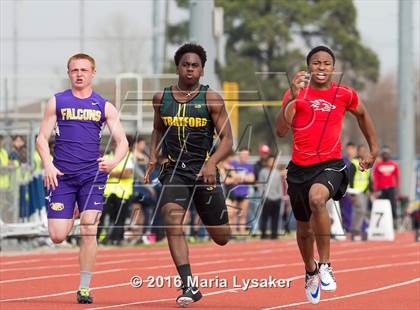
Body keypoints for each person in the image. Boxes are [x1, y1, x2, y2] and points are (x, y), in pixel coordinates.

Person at [276, 46, 378, 304]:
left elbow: (363, 115)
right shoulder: (296, 92)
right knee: (303, 228)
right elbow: (280, 131)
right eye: (316, 63)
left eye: (326, 63)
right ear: (309, 66)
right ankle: (310, 270)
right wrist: (293, 99)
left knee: (318, 199)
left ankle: (325, 265)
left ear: (333, 68)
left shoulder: (344, 94)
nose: (321, 67)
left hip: (330, 165)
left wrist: (373, 149)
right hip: (299, 167)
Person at [144, 43, 233, 307]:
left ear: (202, 70)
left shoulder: (211, 99)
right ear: (178, 68)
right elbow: (157, 130)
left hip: (204, 172)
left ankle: (212, 219)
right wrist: (152, 157)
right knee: (171, 218)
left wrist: (212, 162)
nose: (190, 69)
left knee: (222, 238)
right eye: (186, 64)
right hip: (174, 171)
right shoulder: (162, 98)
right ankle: (189, 286)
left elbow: (228, 140)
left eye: (195, 65)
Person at [36, 53, 128, 304]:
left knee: (89, 228)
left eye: (84, 70)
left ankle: (84, 288)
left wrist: (113, 161)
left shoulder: (104, 106)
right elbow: (42, 138)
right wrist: (48, 165)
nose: (79, 74)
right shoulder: (57, 102)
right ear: (69, 73)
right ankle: (73, 208)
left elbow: (123, 143)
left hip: (92, 176)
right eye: (74, 70)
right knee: (57, 236)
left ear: (92, 73)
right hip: (62, 177)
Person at [229, 147, 255, 236]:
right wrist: (244, 177)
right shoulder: (233, 163)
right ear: (239, 154)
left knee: (243, 215)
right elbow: (232, 176)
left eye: (246, 155)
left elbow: (252, 179)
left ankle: (242, 234)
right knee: (232, 215)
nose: (244, 156)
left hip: (244, 193)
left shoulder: (249, 166)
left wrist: (239, 178)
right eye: (243, 154)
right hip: (234, 193)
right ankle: (232, 234)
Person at [373, 146, 400, 229]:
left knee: (393, 205)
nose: (385, 155)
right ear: (382, 155)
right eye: (384, 154)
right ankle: (383, 224)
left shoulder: (394, 165)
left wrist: (397, 189)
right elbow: (375, 178)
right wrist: (375, 190)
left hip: (391, 188)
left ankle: (394, 223)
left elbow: (397, 177)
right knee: (382, 205)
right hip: (381, 189)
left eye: (387, 154)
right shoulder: (378, 165)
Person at [349, 145, 371, 239]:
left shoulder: (367, 163)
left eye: (364, 151)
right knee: (360, 210)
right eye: (361, 151)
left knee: (363, 211)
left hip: (364, 191)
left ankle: (358, 230)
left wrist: (371, 190)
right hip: (356, 191)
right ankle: (355, 230)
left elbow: (368, 177)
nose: (363, 153)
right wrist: (352, 193)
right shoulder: (354, 163)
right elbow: (350, 178)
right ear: (358, 152)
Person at [258, 154, 283, 239]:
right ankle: (263, 234)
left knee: (275, 218)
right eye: (270, 161)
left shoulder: (277, 173)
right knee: (265, 217)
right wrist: (263, 195)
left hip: (276, 198)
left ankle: (274, 234)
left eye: (273, 161)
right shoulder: (263, 172)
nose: (272, 163)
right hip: (266, 198)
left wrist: (280, 196)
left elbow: (280, 186)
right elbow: (260, 185)